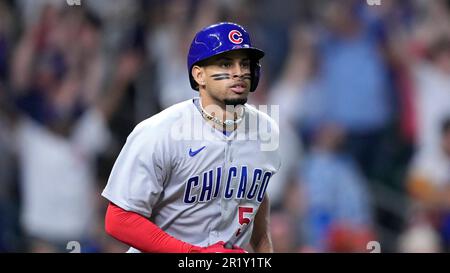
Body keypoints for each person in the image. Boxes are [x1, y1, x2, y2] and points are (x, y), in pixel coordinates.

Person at [102, 22, 281, 253]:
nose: (239, 72)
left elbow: (257, 203)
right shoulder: (159, 132)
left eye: (245, 64)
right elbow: (118, 219)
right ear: (199, 75)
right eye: (226, 63)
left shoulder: (266, 130)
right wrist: (194, 255)